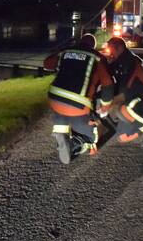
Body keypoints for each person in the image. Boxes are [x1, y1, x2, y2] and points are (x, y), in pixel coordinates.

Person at [43, 33, 115, 164]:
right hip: (78, 104)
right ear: (93, 46)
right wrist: (105, 107)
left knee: (63, 113)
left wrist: (60, 51)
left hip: (54, 98)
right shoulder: (97, 58)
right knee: (93, 140)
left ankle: (61, 128)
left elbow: (47, 64)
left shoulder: (66, 51)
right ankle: (77, 143)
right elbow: (108, 84)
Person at [104, 36, 143, 145]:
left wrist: (106, 103)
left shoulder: (130, 63)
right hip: (136, 94)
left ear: (119, 48)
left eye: (111, 49)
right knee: (122, 135)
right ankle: (140, 124)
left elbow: (125, 89)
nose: (110, 53)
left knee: (124, 110)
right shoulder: (122, 60)